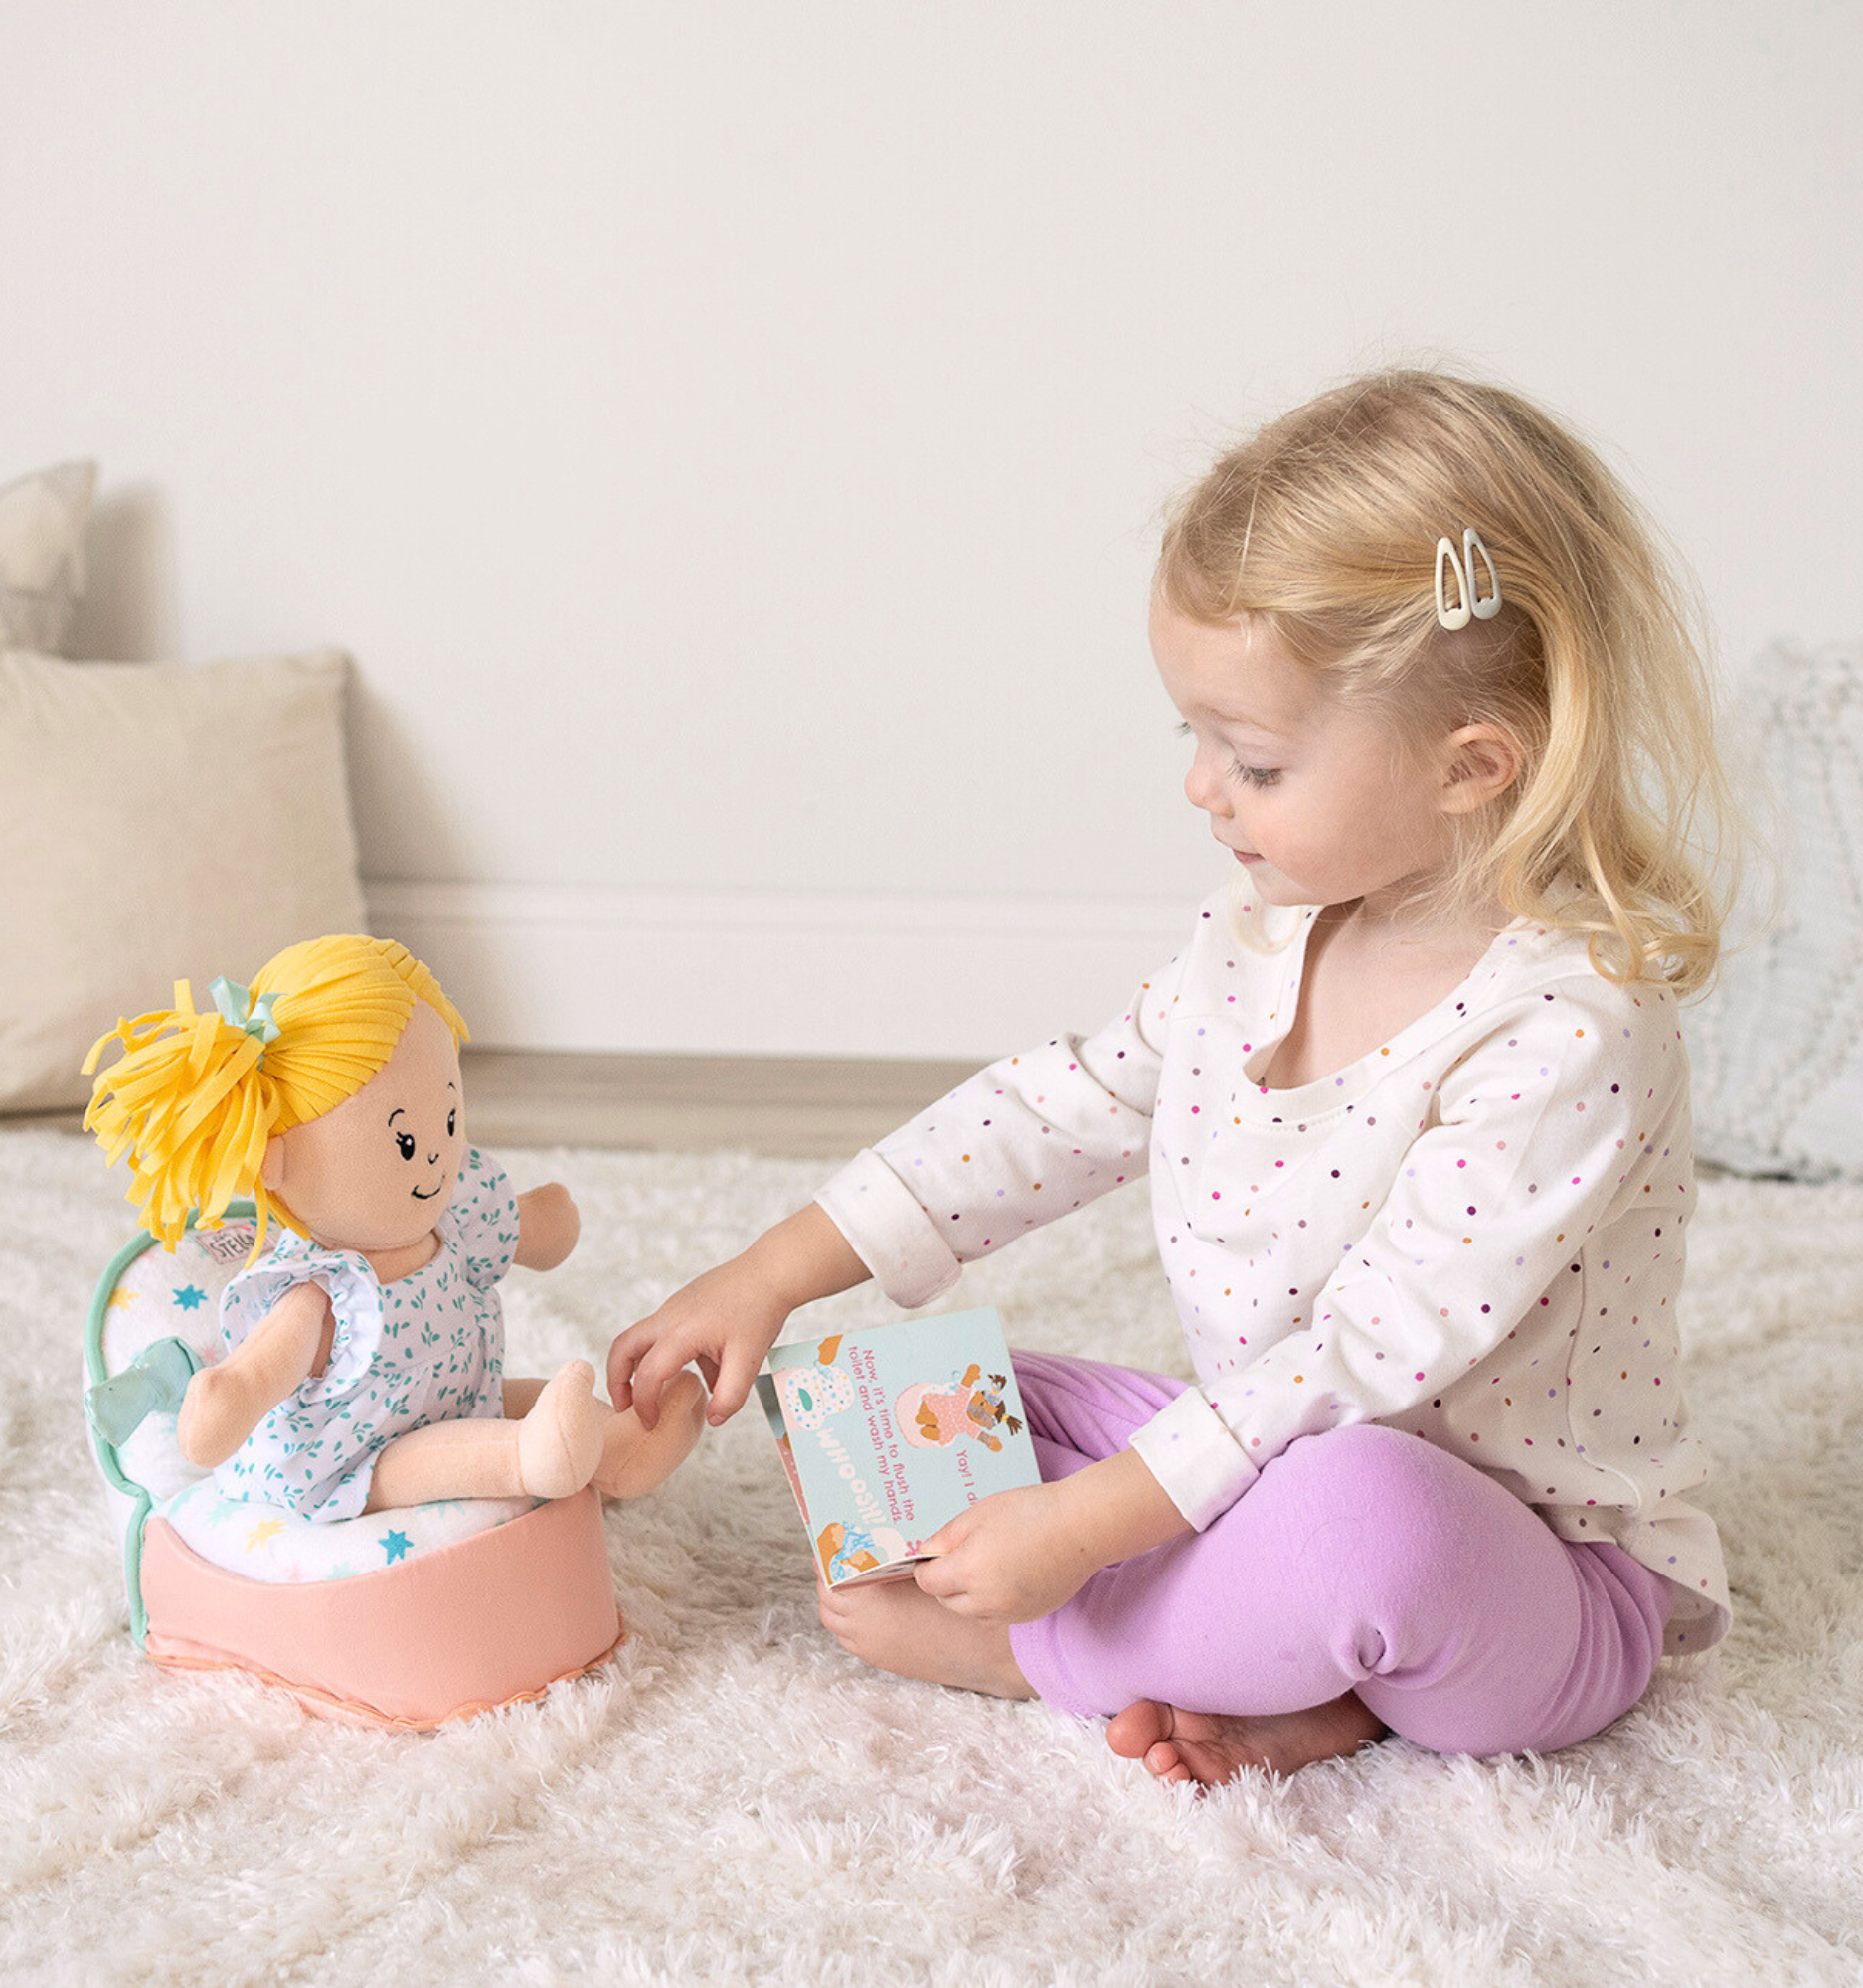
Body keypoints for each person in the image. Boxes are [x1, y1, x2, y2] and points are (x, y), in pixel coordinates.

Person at [608, 370, 1739, 1787]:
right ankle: (1293, 1677)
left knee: (1362, 1519)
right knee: (905, 1396)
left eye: (1254, 762)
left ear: (1471, 767)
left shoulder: (1570, 1026)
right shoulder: (1262, 934)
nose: (1203, 789)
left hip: (1518, 1567)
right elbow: (1057, 1107)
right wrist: (773, 1271)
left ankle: (1061, 1657)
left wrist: (1081, 1538)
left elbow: (1364, 1362)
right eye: (1192, 739)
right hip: (1266, 1460)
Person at [84, 934, 704, 1519]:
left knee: (529, 1400)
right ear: (277, 1157)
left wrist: (542, 1223)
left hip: (462, 1396)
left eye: (450, 1116)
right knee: (446, 1455)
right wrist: (227, 1399)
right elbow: (259, 1372)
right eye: (405, 1140)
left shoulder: (452, 1214)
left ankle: (625, 1449)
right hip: (355, 1461)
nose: (436, 1153)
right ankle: (525, 1460)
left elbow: (540, 1233)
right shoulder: (322, 1290)